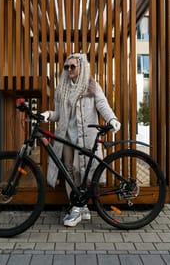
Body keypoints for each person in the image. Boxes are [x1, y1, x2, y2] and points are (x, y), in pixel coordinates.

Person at [41, 53, 121, 227]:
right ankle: (78, 206)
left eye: (72, 66)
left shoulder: (91, 86)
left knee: (79, 169)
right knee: (68, 170)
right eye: (66, 67)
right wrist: (48, 115)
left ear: (81, 67)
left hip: (85, 137)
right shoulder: (62, 88)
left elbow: (102, 104)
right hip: (67, 137)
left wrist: (112, 119)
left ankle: (79, 206)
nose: (69, 70)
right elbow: (59, 115)